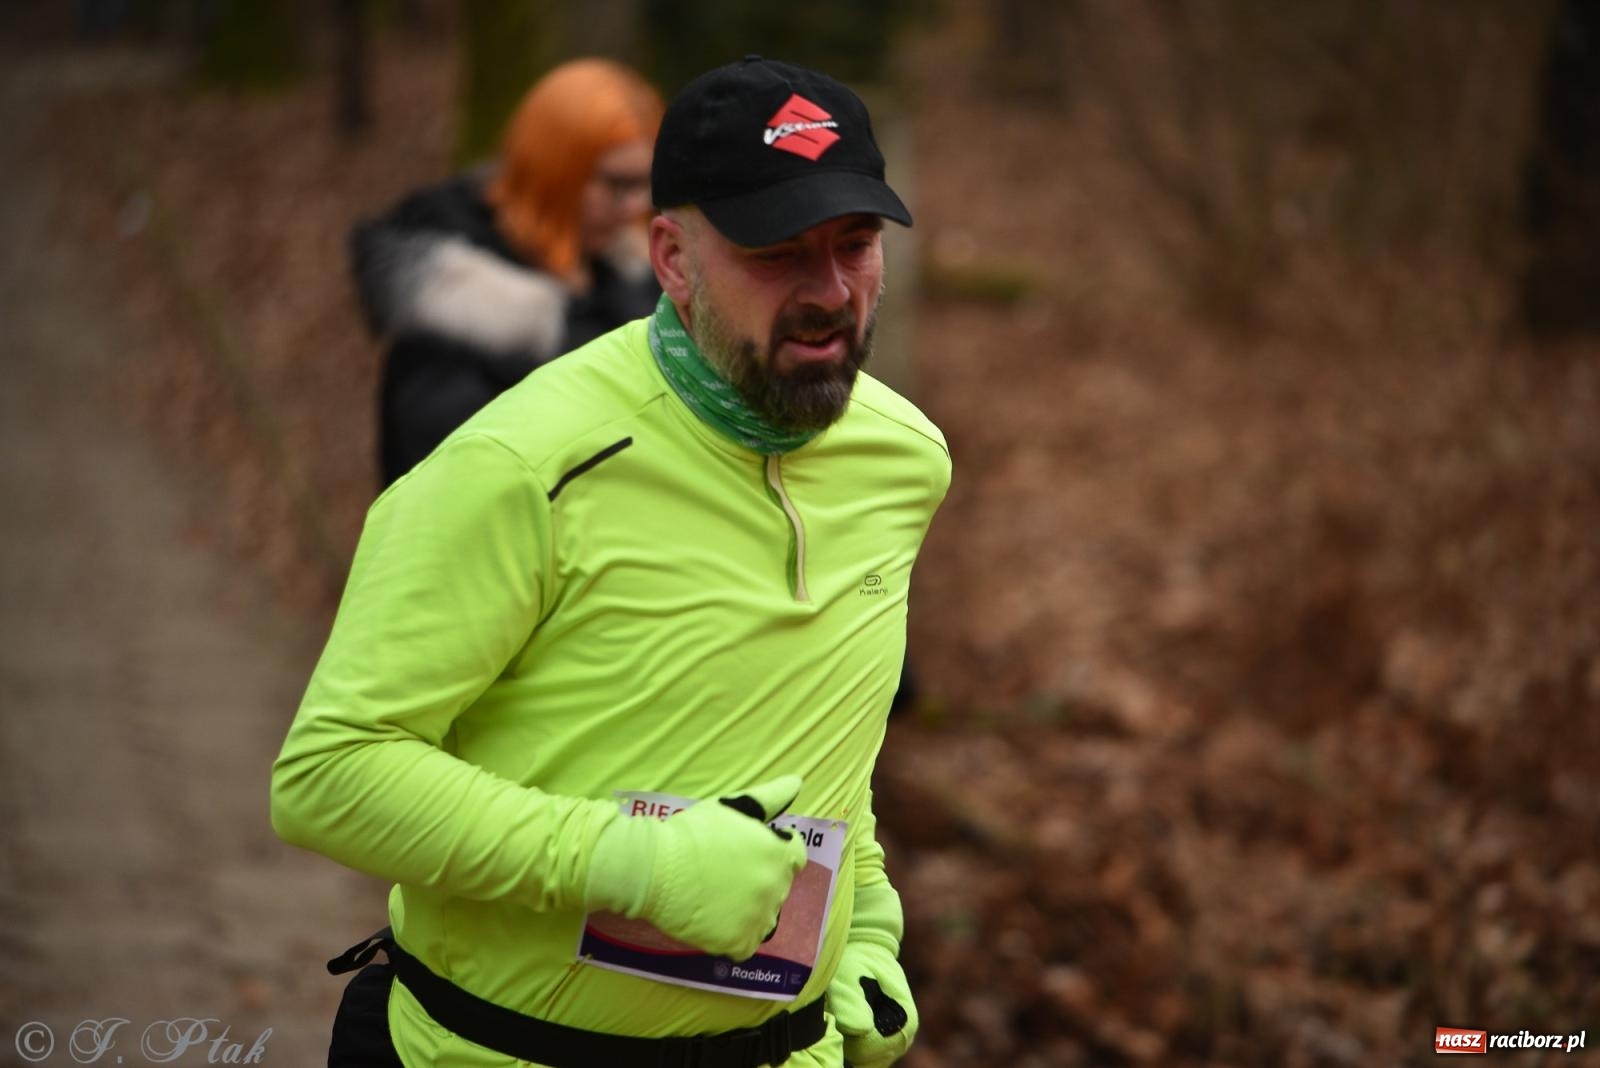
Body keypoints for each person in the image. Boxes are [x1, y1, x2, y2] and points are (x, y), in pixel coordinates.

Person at [273, 55, 949, 1068]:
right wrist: (626, 863)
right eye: (776, 252)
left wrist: (865, 930)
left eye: (854, 246)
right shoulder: (519, 465)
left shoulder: (904, 460)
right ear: (671, 257)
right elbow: (329, 776)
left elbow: (823, 751)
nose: (829, 292)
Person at [350, 58, 664, 487]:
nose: (635, 207)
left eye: (646, 184)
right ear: (557, 172)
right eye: (617, 184)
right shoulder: (453, 310)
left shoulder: (632, 279)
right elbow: (454, 490)